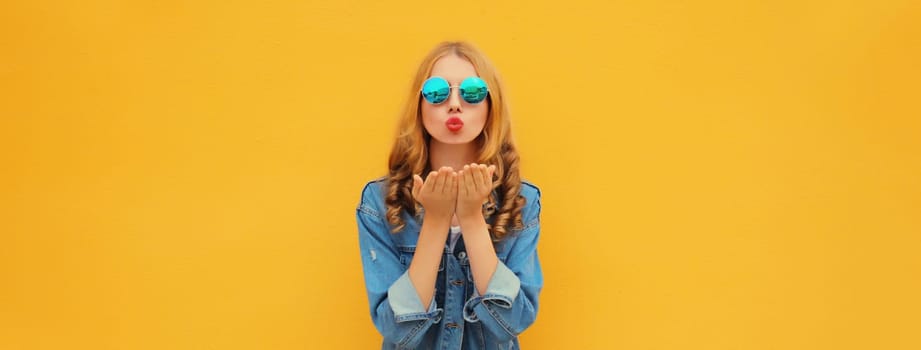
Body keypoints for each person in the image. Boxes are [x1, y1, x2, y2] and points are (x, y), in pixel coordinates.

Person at [356, 41, 543, 349]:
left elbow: (513, 321)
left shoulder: (520, 200)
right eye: (437, 92)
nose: (454, 104)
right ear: (419, 105)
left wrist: (471, 219)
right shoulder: (380, 201)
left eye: (471, 92)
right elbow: (395, 330)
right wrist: (436, 220)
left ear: (490, 105)